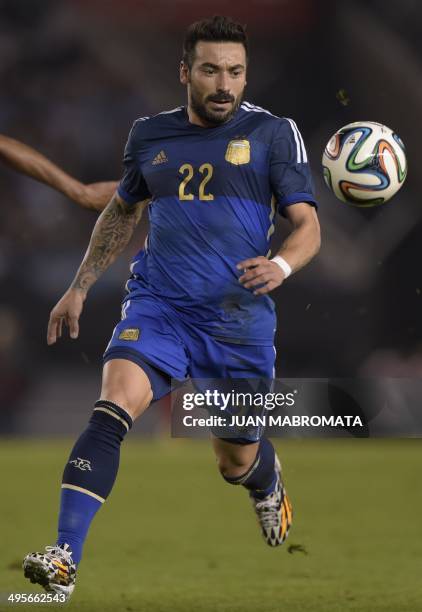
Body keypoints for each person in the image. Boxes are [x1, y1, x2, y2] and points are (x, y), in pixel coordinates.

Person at [22, 15, 321, 601]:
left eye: (235, 71)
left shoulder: (273, 134)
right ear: (185, 72)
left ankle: (263, 479)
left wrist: (281, 265)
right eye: (211, 70)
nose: (224, 84)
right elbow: (121, 210)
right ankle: (64, 558)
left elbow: (308, 226)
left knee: (233, 460)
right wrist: (81, 284)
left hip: (237, 320)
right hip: (159, 306)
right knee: (112, 406)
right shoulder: (149, 135)